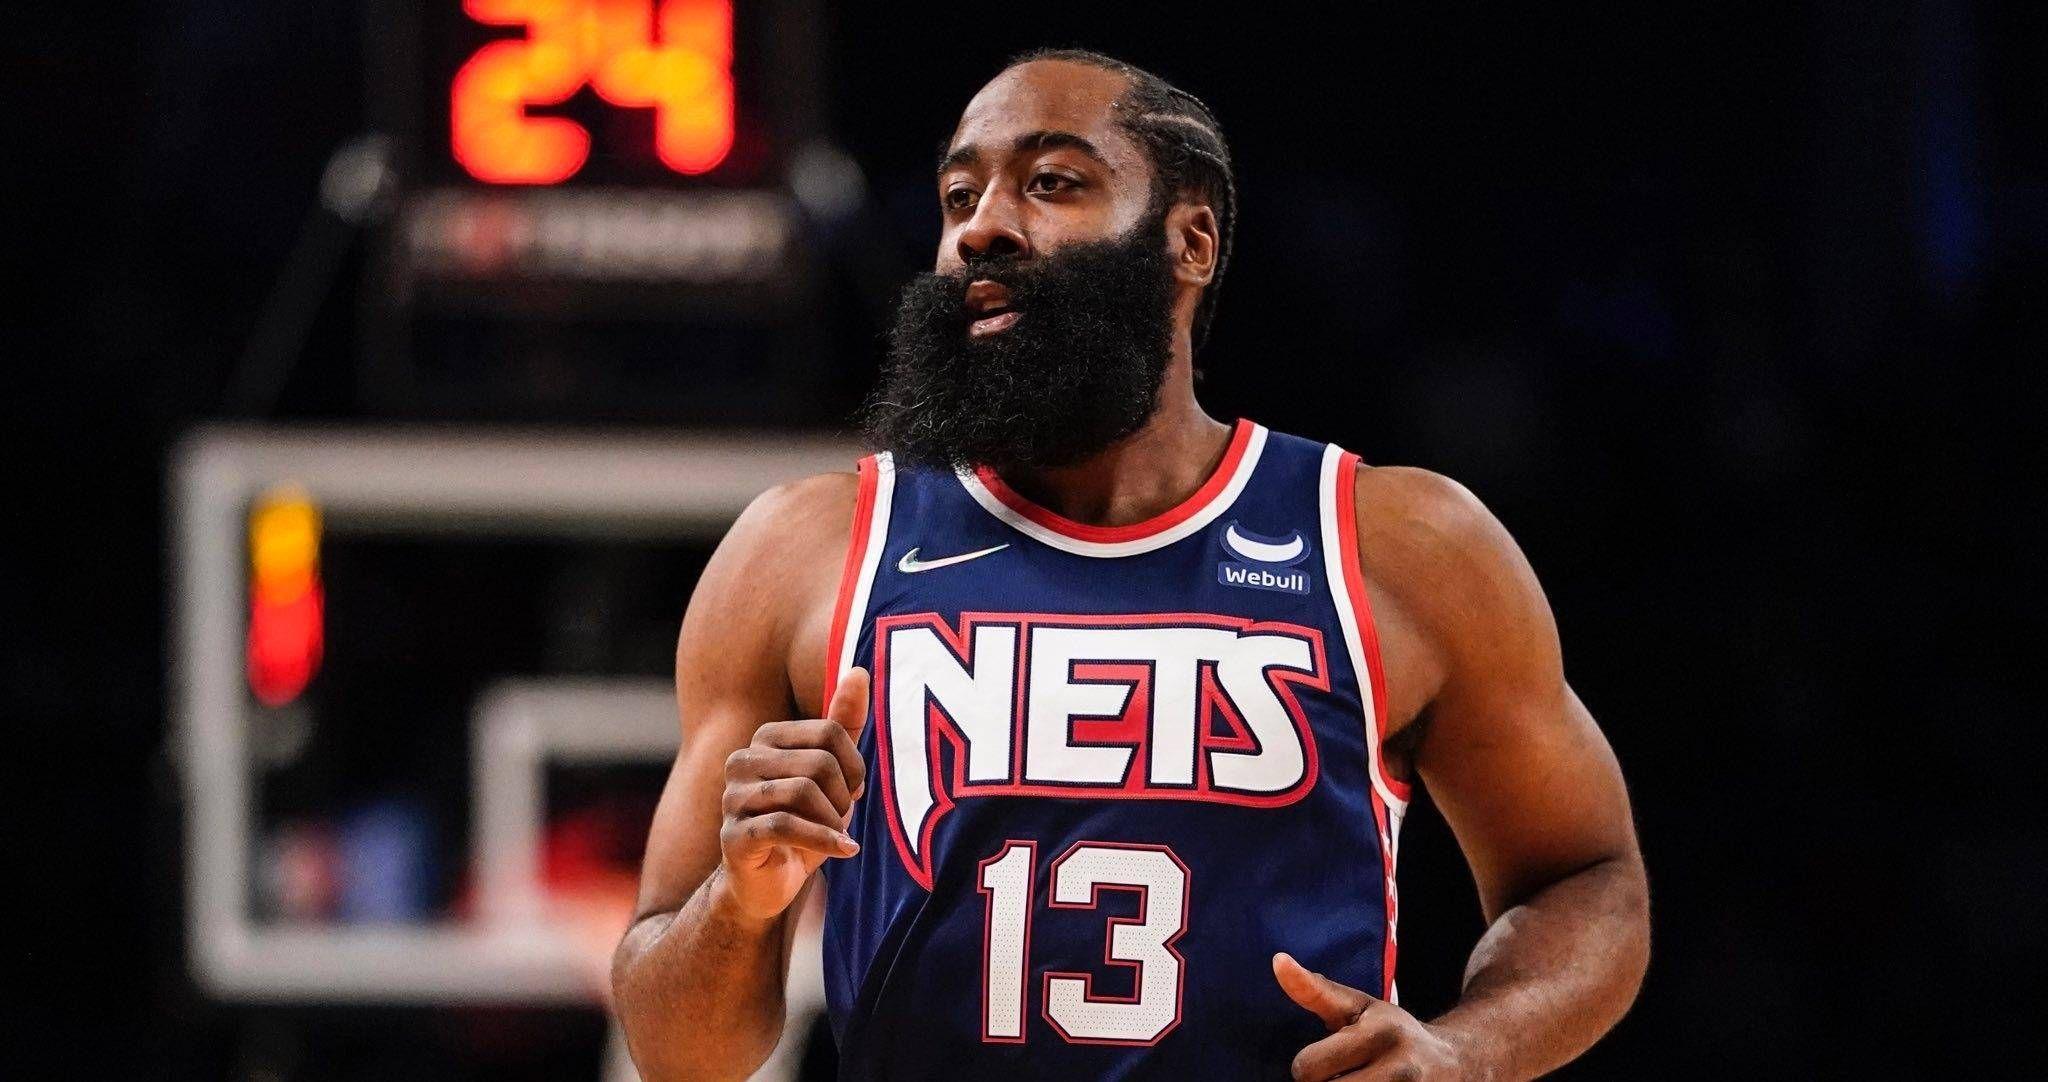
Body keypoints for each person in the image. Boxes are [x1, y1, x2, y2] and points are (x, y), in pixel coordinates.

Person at [613, 48, 1648, 1081]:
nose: (981, 227)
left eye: (1051, 181)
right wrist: (740, 901)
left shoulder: (1395, 542)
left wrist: (1465, 1051)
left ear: (1189, 241)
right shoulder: (806, 548)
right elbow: (674, 1051)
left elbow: (1587, 878)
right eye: (959, 196)